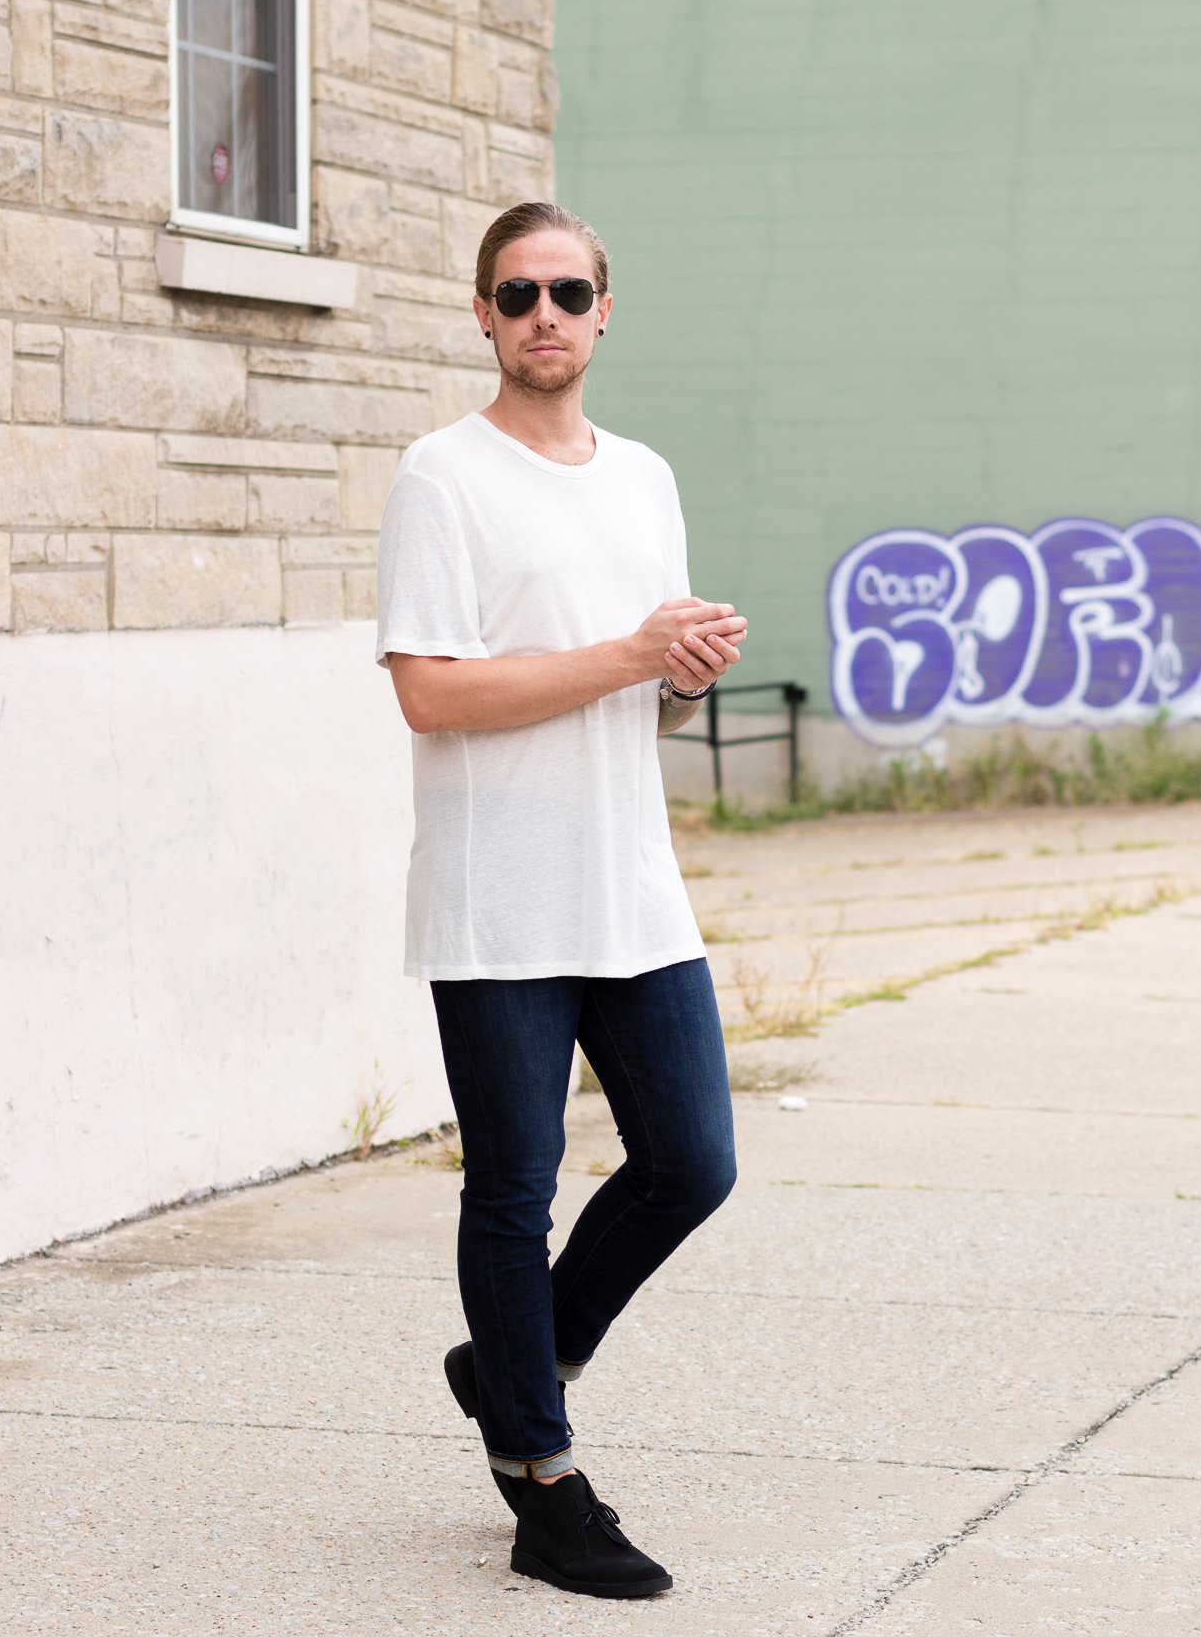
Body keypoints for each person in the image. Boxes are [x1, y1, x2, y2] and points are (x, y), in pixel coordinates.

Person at [373, 200, 749, 1600]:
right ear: (482, 313)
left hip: (628, 882)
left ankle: (509, 1361)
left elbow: (630, 677)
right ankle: (540, 1477)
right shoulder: (442, 476)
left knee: (691, 1163)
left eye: (569, 291)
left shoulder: (642, 476)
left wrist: (678, 668)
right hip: (502, 897)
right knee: (512, 1192)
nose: (544, 313)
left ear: (604, 312)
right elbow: (432, 693)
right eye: (516, 291)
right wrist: (622, 655)